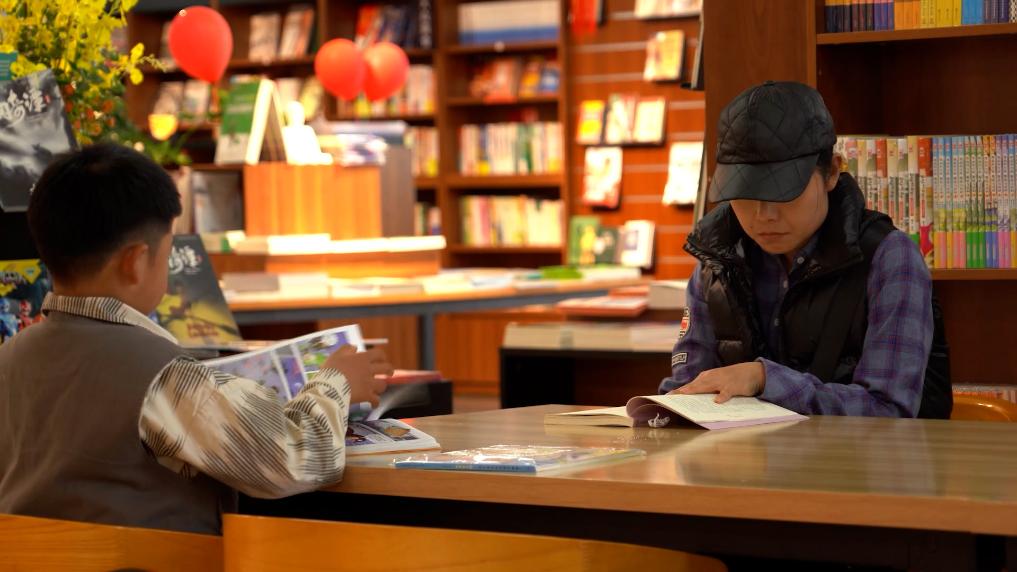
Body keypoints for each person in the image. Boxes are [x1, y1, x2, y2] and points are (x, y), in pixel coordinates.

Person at [0, 144, 393, 534]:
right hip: (153, 562)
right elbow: (294, 459)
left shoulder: (10, 357)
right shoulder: (164, 377)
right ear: (135, 262)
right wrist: (335, 382)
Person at [659, 81, 951, 418]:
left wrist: (765, 378)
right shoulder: (717, 263)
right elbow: (688, 390)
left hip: (863, 455)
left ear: (831, 172)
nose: (763, 215)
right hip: (744, 454)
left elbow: (889, 412)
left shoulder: (890, 258)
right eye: (745, 194)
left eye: (784, 191)